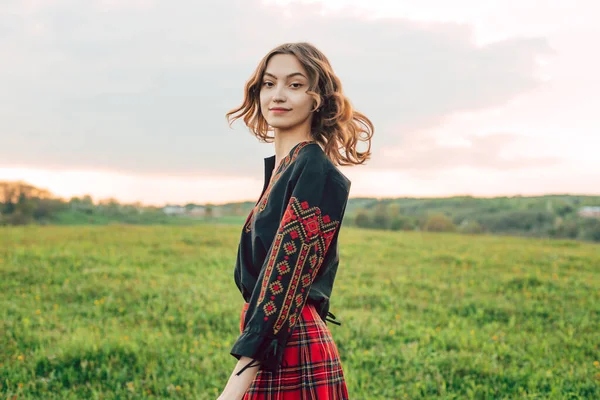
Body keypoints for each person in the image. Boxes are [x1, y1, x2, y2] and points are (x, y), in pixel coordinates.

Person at [218, 42, 374, 399]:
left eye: (295, 84)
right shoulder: (284, 169)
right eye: (269, 83)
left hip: (291, 343)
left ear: (317, 97)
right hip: (275, 345)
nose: (279, 94)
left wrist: (232, 390)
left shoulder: (315, 171)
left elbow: (282, 287)